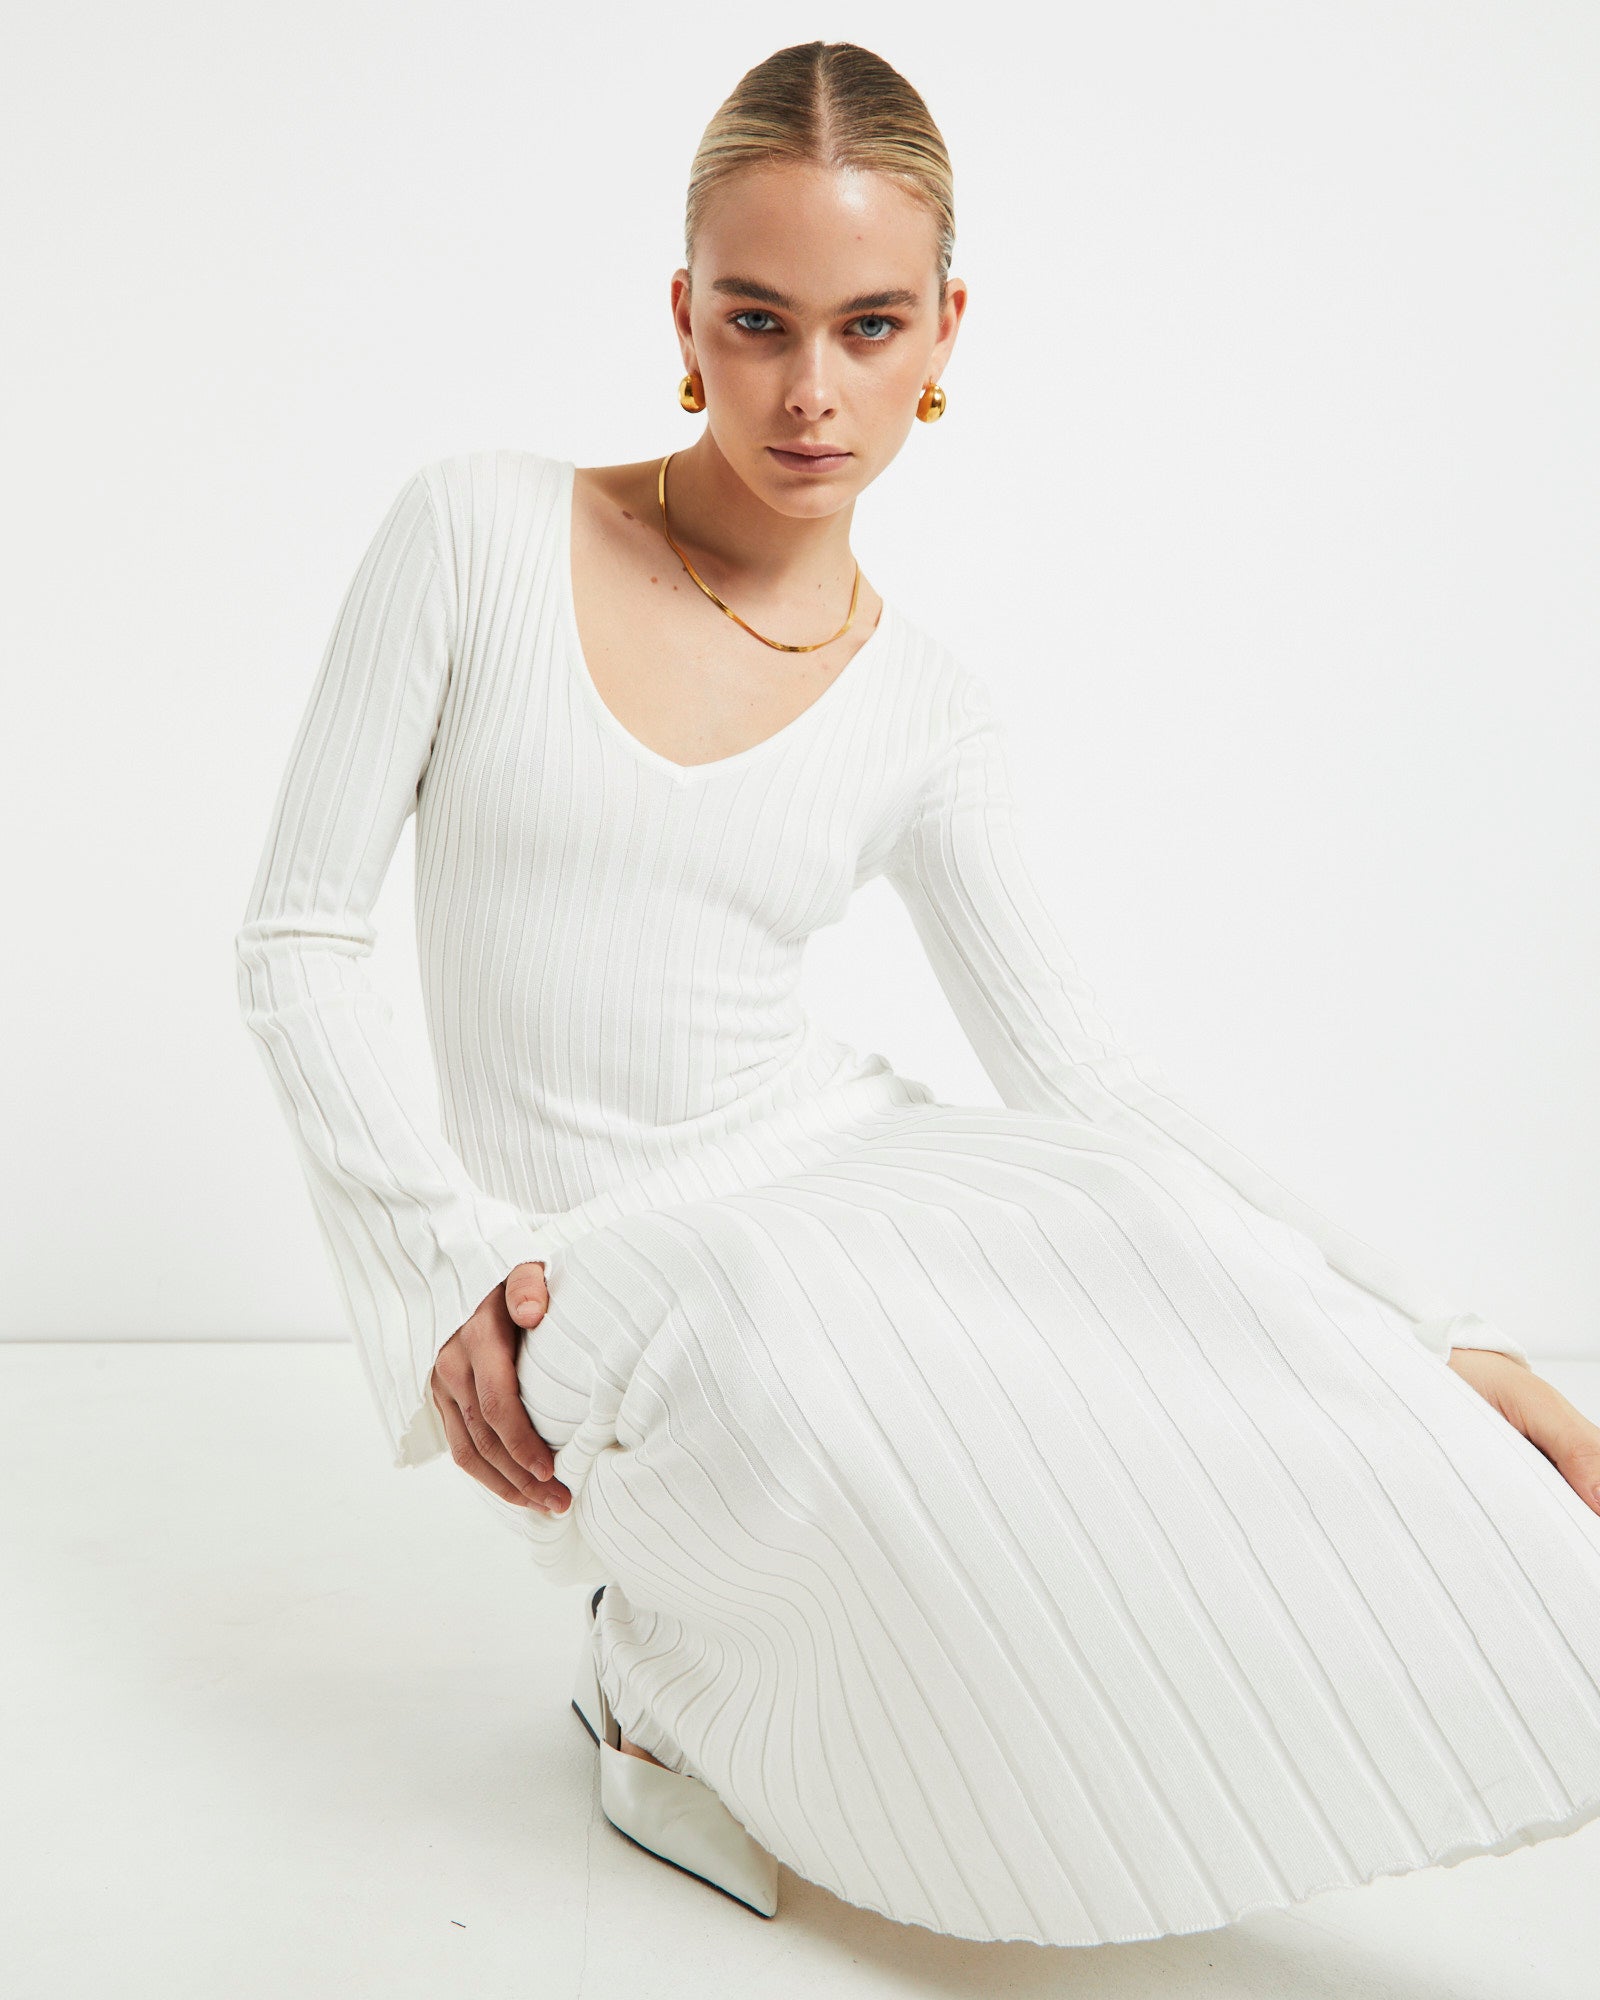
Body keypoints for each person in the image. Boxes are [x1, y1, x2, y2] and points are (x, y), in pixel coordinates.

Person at [234, 39, 1600, 1950]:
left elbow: (1087, 1081)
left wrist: (1435, 1340)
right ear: (684, 316)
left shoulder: (928, 708)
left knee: (1139, 1243)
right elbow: (296, 938)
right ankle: (657, 1666)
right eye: (758, 319)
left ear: (945, 331)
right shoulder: (474, 534)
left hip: (836, 1173)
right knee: (778, 1330)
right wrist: (439, 1258)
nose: (810, 391)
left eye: (868, 326)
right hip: (595, 1258)